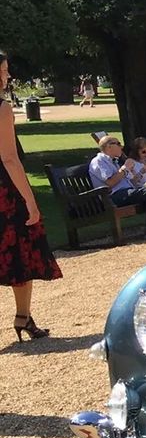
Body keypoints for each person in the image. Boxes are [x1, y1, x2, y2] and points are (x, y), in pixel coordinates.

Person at [0, 50, 61, 341]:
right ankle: (22, 316)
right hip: (4, 191)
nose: (7, 76)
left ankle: (24, 317)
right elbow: (9, 158)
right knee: (17, 252)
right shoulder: (2, 108)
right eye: (4, 71)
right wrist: (30, 200)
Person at [90, 135, 146, 238]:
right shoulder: (99, 161)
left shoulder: (114, 161)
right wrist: (124, 169)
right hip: (113, 196)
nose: (122, 147)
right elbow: (109, 183)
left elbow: (131, 180)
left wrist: (140, 172)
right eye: (118, 144)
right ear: (108, 147)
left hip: (127, 191)